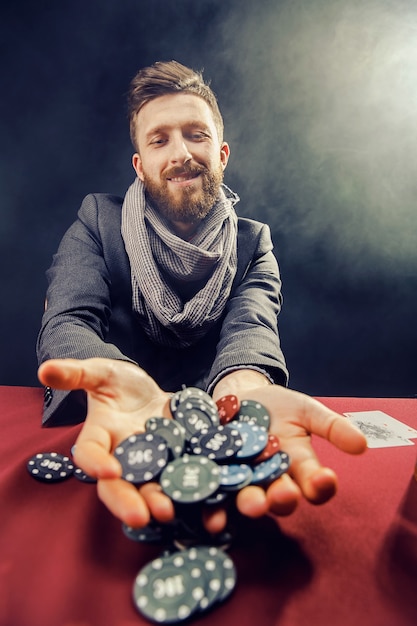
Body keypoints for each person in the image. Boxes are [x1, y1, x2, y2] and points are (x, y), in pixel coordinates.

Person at [37, 60, 366, 533]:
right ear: (140, 163)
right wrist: (124, 379)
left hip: (217, 430)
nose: (180, 153)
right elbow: (67, 322)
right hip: (114, 426)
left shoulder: (255, 242)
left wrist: (246, 392)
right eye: (159, 139)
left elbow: (251, 327)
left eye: (196, 134)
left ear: (222, 153)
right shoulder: (97, 220)